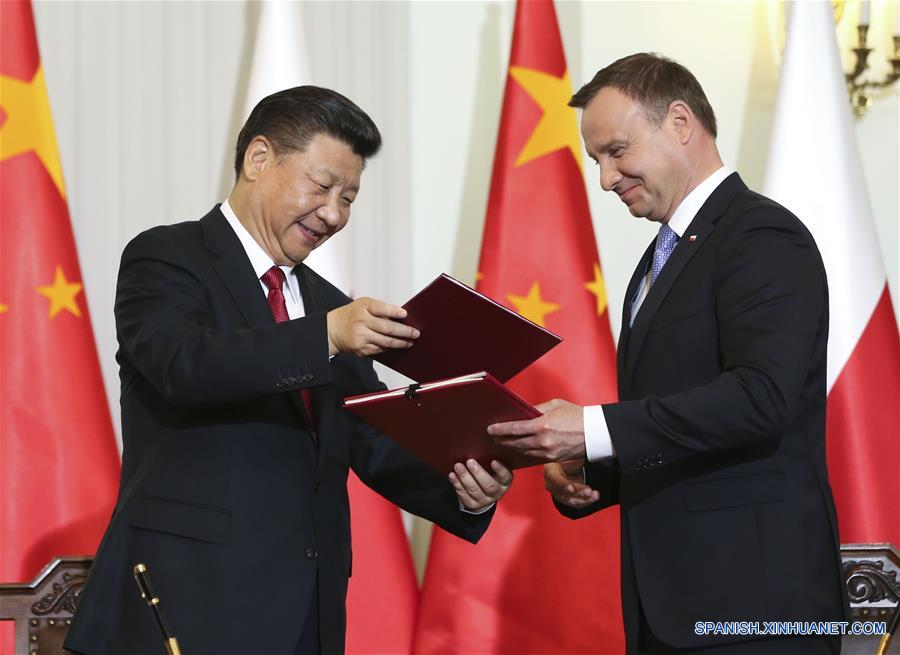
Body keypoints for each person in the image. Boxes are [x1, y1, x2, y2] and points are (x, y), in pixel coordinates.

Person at [65, 86, 512, 655]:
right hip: (185, 601)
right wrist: (325, 337)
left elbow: (366, 437)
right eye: (322, 186)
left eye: (349, 197)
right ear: (258, 159)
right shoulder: (167, 256)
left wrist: (464, 489)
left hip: (307, 611)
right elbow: (185, 365)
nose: (334, 213)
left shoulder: (328, 301)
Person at [488, 53, 848, 654]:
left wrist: (593, 429)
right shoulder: (662, 258)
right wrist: (592, 471)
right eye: (596, 159)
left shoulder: (759, 234)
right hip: (673, 608)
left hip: (754, 610)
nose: (605, 178)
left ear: (680, 122)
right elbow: (682, 417)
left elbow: (762, 399)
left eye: (617, 151)